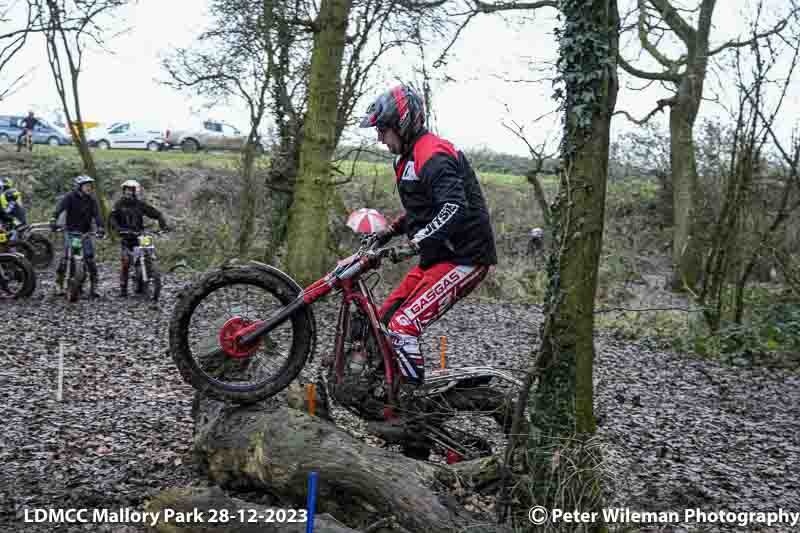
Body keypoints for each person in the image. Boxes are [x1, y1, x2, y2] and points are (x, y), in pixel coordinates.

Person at [359, 84, 497, 386]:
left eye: (383, 130)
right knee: (381, 321)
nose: (379, 138)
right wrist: (390, 232)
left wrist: (414, 244)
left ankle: (411, 403)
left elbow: (453, 207)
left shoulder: (432, 153)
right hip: (437, 258)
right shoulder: (407, 158)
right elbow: (424, 209)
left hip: (465, 258)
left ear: (402, 123)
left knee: (402, 327)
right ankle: (384, 389)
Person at [109, 179, 169, 297]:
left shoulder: (140, 204)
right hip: (126, 236)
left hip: (139, 235)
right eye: (127, 190)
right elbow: (112, 218)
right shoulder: (119, 204)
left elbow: (156, 213)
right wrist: (118, 229)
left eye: (132, 190)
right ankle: (123, 287)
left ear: (136, 191)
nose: (129, 192)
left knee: (147, 255)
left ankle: (146, 279)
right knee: (126, 261)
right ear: (124, 191)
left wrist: (163, 225)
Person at [50, 175, 105, 298]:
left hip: (85, 234)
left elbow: (97, 215)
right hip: (71, 232)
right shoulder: (69, 197)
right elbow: (59, 209)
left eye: (90, 186)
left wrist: (100, 227)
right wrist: (53, 220)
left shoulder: (92, 200)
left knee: (89, 259)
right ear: (79, 187)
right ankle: (58, 283)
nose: (89, 188)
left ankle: (94, 285)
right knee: (65, 258)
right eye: (86, 186)